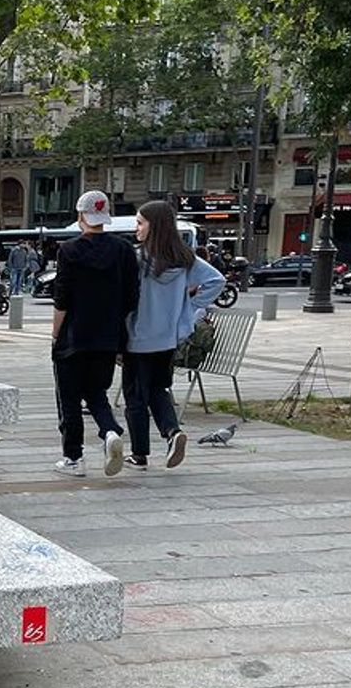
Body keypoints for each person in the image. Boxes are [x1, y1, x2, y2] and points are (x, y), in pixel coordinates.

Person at [123, 200, 225, 471]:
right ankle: (172, 431)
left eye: (140, 223)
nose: (136, 229)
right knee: (158, 388)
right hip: (168, 337)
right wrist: (188, 307)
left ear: (153, 226)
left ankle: (139, 454)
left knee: (134, 396)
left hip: (138, 337)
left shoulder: (137, 258)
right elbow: (217, 280)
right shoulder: (184, 258)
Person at [51, 189, 139, 478]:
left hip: (74, 336)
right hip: (108, 337)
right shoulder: (124, 250)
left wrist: (56, 334)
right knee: (96, 392)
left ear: (80, 216)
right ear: (104, 217)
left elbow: (62, 298)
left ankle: (73, 457)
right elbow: (131, 296)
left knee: (69, 399)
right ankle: (110, 431)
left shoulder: (69, 250)